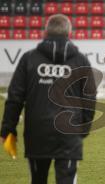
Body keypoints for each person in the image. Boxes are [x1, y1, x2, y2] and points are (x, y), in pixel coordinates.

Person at [0, 14, 96, 184]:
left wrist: (8, 129)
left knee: (37, 180)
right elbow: (89, 99)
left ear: (45, 32)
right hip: (69, 133)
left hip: (37, 132)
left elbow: (15, 97)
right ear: (69, 33)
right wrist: (84, 128)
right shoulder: (80, 60)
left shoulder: (29, 58)